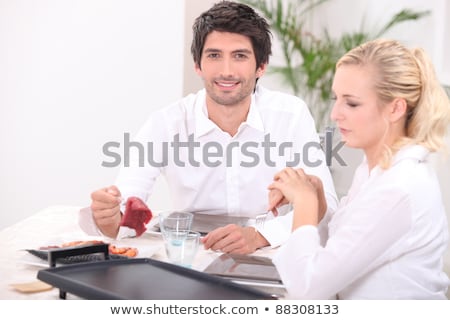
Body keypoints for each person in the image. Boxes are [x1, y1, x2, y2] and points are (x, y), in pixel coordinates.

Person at [79, 1, 337, 254]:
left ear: (261, 66)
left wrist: (260, 236)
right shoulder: (167, 123)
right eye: (214, 55)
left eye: (239, 56)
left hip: (270, 253)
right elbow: (125, 210)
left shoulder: (290, 115)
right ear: (198, 65)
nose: (226, 71)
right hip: (191, 255)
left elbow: (326, 207)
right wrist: (110, 218)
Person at [269, 39, 450, 299]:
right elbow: (348, 247)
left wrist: (305, 203)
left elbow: (308, 287)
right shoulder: (373, 168)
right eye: (336, 99)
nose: (335, 114)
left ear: (396, 108)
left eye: (351, 103)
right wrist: (318, 204)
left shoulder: (399, 187)